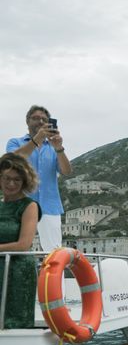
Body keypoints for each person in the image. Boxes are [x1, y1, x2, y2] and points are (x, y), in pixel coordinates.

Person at [0, 153, 42, 345]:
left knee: (16, 326)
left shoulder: (29, 206)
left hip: (17, 272)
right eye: (6, 178)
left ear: (24, 180)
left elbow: (24, 244)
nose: (11, 183)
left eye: (16, 179)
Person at [6, 105, 72, 252]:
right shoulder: (15, 143)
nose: (40, 121)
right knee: (15, 249)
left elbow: (66, 171)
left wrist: (59, 148)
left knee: (54, 252)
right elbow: (13, 159)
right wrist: (37, 139)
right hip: (20, 205)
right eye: (35, 118)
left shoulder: (53, 148)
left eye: (44, 119)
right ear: (27, 121)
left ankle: (54, 276)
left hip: (49, 205)